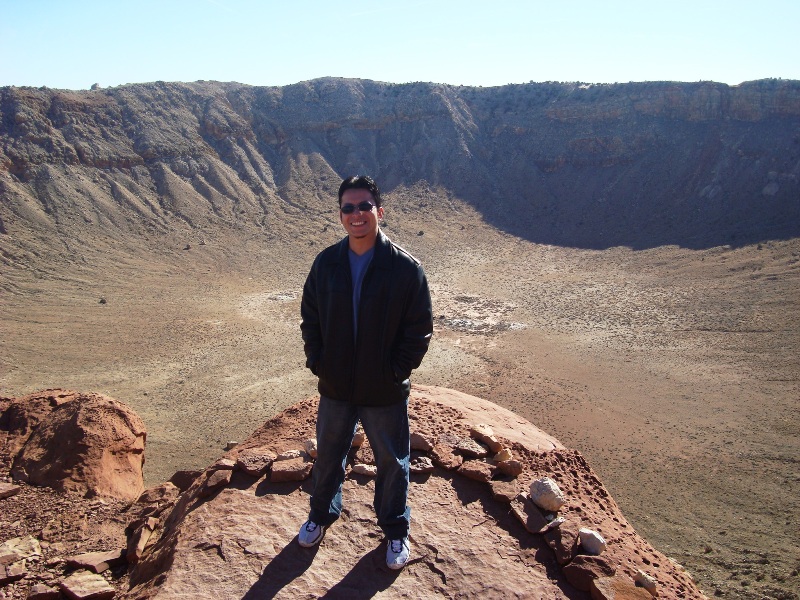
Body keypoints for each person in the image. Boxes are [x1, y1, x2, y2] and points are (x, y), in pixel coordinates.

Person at [298, 175, 433, 570]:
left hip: (383, 389)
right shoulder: (326, 264)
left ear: (379, 212)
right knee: (328, 456)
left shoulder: (405, 268)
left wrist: (395, 371)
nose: (356, 214)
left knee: (392, 461)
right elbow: (311, 318)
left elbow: (419, 329)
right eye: (348, 207)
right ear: (340, 214)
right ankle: (320, 516)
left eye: (364, 206)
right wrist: (319, 362)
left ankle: (394, 531)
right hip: (336, 385)